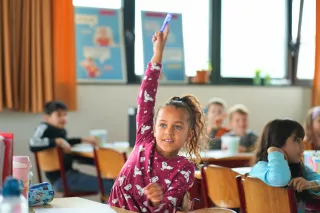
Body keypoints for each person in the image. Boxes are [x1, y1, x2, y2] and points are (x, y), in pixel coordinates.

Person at [108, 26, 207, 212]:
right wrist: (158, 53)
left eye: (177, 127)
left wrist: (156, 202)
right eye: (162, 125)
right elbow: (146, 94)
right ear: (153, 128)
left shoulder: (185, 169)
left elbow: (168, 207)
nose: (168, 131)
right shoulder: (144, 139)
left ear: (189, 134)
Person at [29, 101, 114, 194]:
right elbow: (33, 143)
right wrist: (58, 141)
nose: (63, 118)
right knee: (111, 186)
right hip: (62, 179)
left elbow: (66, 143)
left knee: (111, 183)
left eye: (65, 115)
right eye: (59, 115)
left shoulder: (60, 131)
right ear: (47, 117)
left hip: (68, 176)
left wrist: (83, 139)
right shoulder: (44, 127)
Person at [249, 119, 320, 207]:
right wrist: (275, 152)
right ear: (278, 142)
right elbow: (280, 179)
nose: (303, 146)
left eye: (302, 140)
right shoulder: (260, 168)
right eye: (296, 140)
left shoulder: (300, 168)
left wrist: (310, 184)